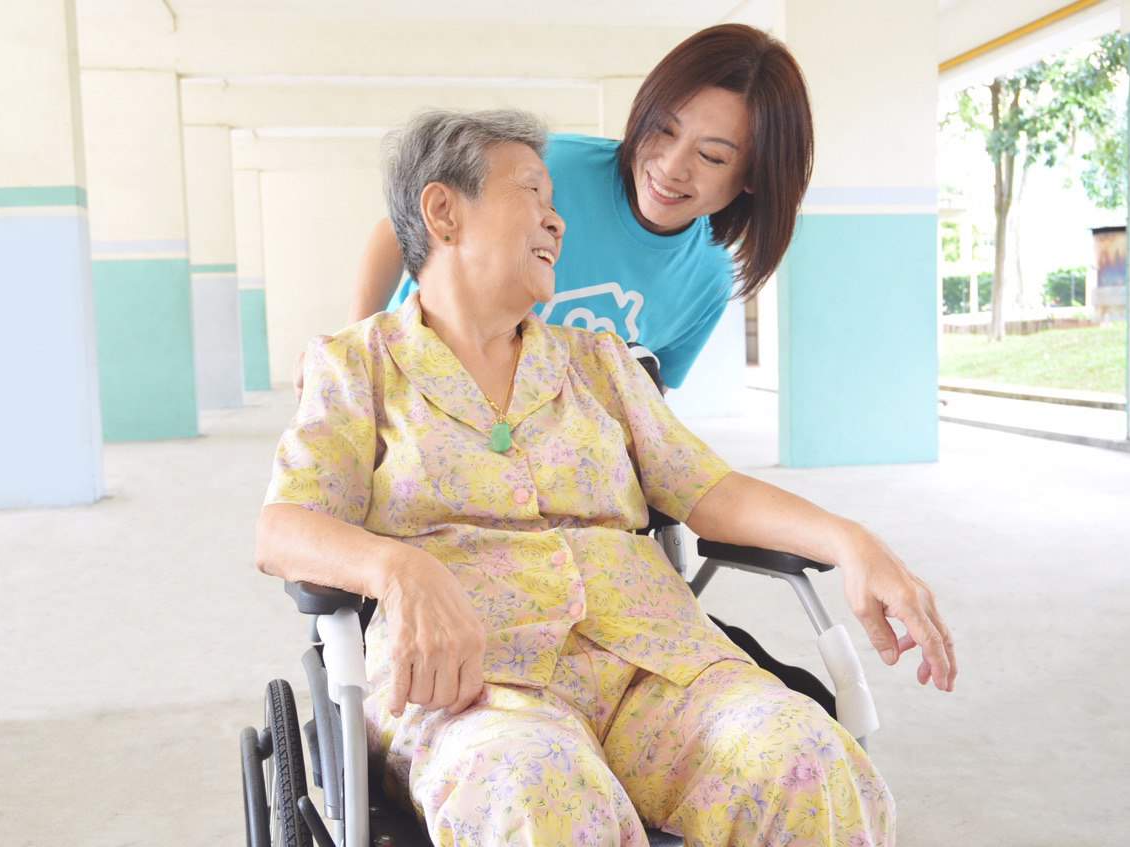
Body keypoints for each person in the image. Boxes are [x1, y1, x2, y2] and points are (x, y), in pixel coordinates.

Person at [257, 110, 954, 847]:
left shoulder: (601, 361)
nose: (557, 222)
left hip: (657, 667)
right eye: (532, 192)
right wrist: (398, 567)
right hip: (479, 689)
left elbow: (708, 490)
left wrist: (851, 541)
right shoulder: (356, 364)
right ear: (443, 211)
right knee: (539, 796)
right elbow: (284, 526)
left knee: (804, 760)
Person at [344, 22, 814, 391]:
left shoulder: (707, 278)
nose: (670, 167)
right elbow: (400, 229)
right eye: (664, 129)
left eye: (712, 156)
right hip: (413, 385)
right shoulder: (548, 168)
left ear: (755, 175)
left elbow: (645, 399)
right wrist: (352, 349)